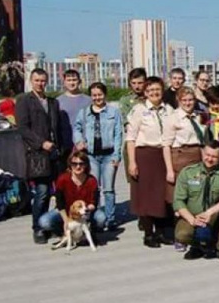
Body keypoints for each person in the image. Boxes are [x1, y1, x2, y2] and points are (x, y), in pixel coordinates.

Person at [16, 68, 64, 244]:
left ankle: (53, 224)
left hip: (54, 153)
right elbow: (22, 128)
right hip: (37, 154)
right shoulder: (24, 100)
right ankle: (38, 228)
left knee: (58, 191)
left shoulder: (53, 102)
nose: (40, 83)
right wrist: (41, 143)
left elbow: (57, 127)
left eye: (43, 80)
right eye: (37, 80)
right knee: (42, 192)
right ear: (31, 81)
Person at [126, 76, 174, 248]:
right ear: (145, 93)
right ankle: (148, 234)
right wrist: (132, 162)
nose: (154, 93)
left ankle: (161, 233)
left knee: (161, 196)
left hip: (163, 155)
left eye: (157, 90)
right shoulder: (139, 110)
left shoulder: (168, 109)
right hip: (145, 155)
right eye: (151, 90)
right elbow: (130, 138)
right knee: (145, 196)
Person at [173, 141, 219, 262]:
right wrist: (192, 220)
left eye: (214, 157)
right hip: (192, 215)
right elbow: (178, 201)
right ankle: (198, 247)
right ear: (202, 153)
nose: (209, 159)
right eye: (207, 155)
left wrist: (209, 212)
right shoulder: (188, 172)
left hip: (213, 215)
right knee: (182, 235)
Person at [73, 82, 123, 230]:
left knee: (108, 189)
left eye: (100, 94)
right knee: (94, 188)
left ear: (105, 95)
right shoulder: (83, 113)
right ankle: (96, 218)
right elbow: (77, 128)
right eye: (94, 95)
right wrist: (79, 141)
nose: (97, 98)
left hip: (108, 156)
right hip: (91, 156)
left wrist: (117, 155)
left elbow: (118, 135)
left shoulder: (114, 112)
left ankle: (110, 219)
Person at [37, 150, 107, 235]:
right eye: (74, 164)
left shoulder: (92, 180)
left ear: (86, 165)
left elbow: (94, 202)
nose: (78, 167)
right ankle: (62, 231)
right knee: (44, 222)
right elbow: (59, 202)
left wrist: (86, 210)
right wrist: (66, 220)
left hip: (86, 212)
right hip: (66, 211)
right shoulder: (63, 179)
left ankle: (89, 231)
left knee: (101, 218)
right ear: (70, 165)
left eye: (81, 164)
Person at [162, 87, 205, 219]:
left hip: (197, 156)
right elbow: (166, 145)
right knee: (180, 196)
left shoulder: (199, 116)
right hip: (180, 156)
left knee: (195, 193)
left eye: (190, 100)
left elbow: (202, 140)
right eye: (184, 100)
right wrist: (169, 170)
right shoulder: (173, 118)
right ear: (179, 101)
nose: (188, 103)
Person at [118, 68, 147, 184]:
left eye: (140, 83)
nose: (137, 86)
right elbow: (127, 124)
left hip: (151, 143)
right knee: (134, 180)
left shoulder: (152, 97)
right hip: (133, 144)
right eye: (134, 83)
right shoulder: (125, 100)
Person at [57, 69, 92, 157]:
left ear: (79, 81)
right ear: (64, 82)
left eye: (74, 80)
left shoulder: (89, 100)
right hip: (65, 145)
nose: (71, 83)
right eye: (69, 80)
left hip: (85, 145)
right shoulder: (57, 101)